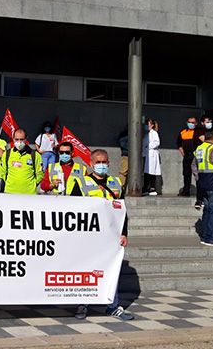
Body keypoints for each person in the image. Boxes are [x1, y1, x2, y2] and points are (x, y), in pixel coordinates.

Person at [69, 149, 133, 321]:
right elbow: (72, 209)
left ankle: (112, 306)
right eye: (98, 162)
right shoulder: (81, 183)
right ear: (91, 163)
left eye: (104, 162)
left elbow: (123, 211)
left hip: (110, 236)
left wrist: (124, 233)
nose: (101, 165)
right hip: (88, 236)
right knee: (86, 270)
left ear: (109, 163)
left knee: (112, 271)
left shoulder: (116, 182)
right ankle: (82, 305)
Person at [0, 129, 41, 194]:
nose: (19, 142)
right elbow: (3, 172)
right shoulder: (7, 154)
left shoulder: (35, 155)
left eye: (22, 139)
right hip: (10, 192)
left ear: (26, 139)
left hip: (29, 193)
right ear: (13, 139)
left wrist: (32, 184)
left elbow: (40, 173)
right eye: (16, 139)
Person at [193, 116, 213, 210]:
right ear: (202, 122)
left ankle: (203, 199)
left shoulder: (208, 131)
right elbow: (205, 140)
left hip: (206, 157)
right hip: (200, 157)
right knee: (200, 179)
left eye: (210, 121)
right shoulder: (199, 131)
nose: (209, 123)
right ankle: (199, 200)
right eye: (207, 121)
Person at [176, 116, 198, 196]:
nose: (191, 124)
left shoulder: (198, 133)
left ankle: (200, 191)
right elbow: (179, 144)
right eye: (189, 122)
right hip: (187, 156)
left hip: (196, 156)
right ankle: (186, 191)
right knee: (186, 174)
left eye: (193, 122)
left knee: (197, 174)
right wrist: (183, 154)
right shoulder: (183, 132)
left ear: (196, 123)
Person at [143, 118, 161, 196]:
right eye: (146, 124)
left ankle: (152, 188)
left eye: (148, 124)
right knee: (147, 172)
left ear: (152, 125)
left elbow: (157, 142)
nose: (147, 125)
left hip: (152, 154)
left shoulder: (154, 133)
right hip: (147, 155)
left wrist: (148, 147)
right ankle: (146, 187)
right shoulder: (147, 134)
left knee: (152, 171)